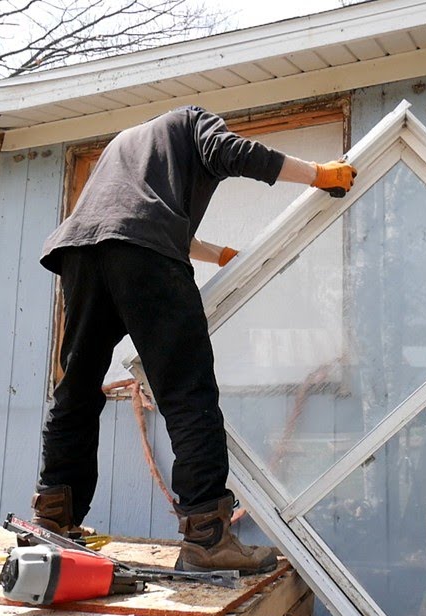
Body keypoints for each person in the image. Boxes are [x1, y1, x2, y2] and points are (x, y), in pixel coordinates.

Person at [30, 105, 356, 575]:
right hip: (143, 254)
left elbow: (129, 215)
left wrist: (217, 252)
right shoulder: (191, 120)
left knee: (76, 390)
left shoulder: (126, 142)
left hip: (81, 254)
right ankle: (207, 537)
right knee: (187, 393)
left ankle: (53, 519)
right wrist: (316, 174)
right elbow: (232, 152)